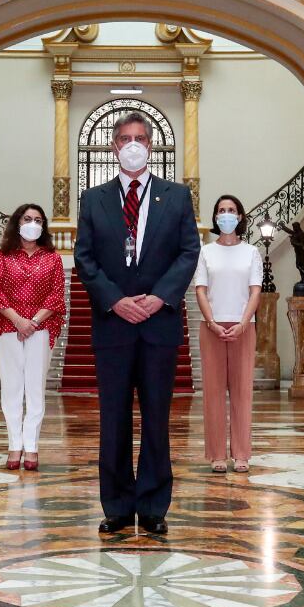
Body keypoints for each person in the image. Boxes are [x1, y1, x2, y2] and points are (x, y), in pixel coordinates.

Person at [73, 112, 200, 535]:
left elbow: (188, 251)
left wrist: (159, 296)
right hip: (113, 324)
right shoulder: (93, 199)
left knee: (156, 418)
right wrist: (115, 300)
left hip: (158, 323)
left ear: (150, 145)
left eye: (140, 138)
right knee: (113, 418)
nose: (133, 144)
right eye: (125, 138)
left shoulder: (176, 196)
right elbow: (84, 257)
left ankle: (152, 506)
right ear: (114, 146)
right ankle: (116, 505)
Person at [0, 204, 65, 471]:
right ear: (17, 223)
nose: (33, 223)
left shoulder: (53, 258)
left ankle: (31, 446)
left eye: (38, 220)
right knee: (11, 387)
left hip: (41, 328)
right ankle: (14, 444)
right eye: (28, 218)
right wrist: (18, 321)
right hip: (7, 327)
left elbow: (56, 295)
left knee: (35, 388)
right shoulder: (2, 256)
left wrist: (33, 322)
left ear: (43, 226)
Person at [194, 195, 262, 474]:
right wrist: (211, 322)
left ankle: (242, 453)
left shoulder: (251, 252)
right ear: (215, 217)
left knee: (242, 392)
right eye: (221, 210)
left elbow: (255, 291)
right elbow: (200, 289)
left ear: (240, 216)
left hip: (243, 327)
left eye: (231, 210)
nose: (226, 215)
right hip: (212, 327)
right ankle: (217, 454)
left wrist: (243, 323)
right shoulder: (206, 252)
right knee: (213, 393)